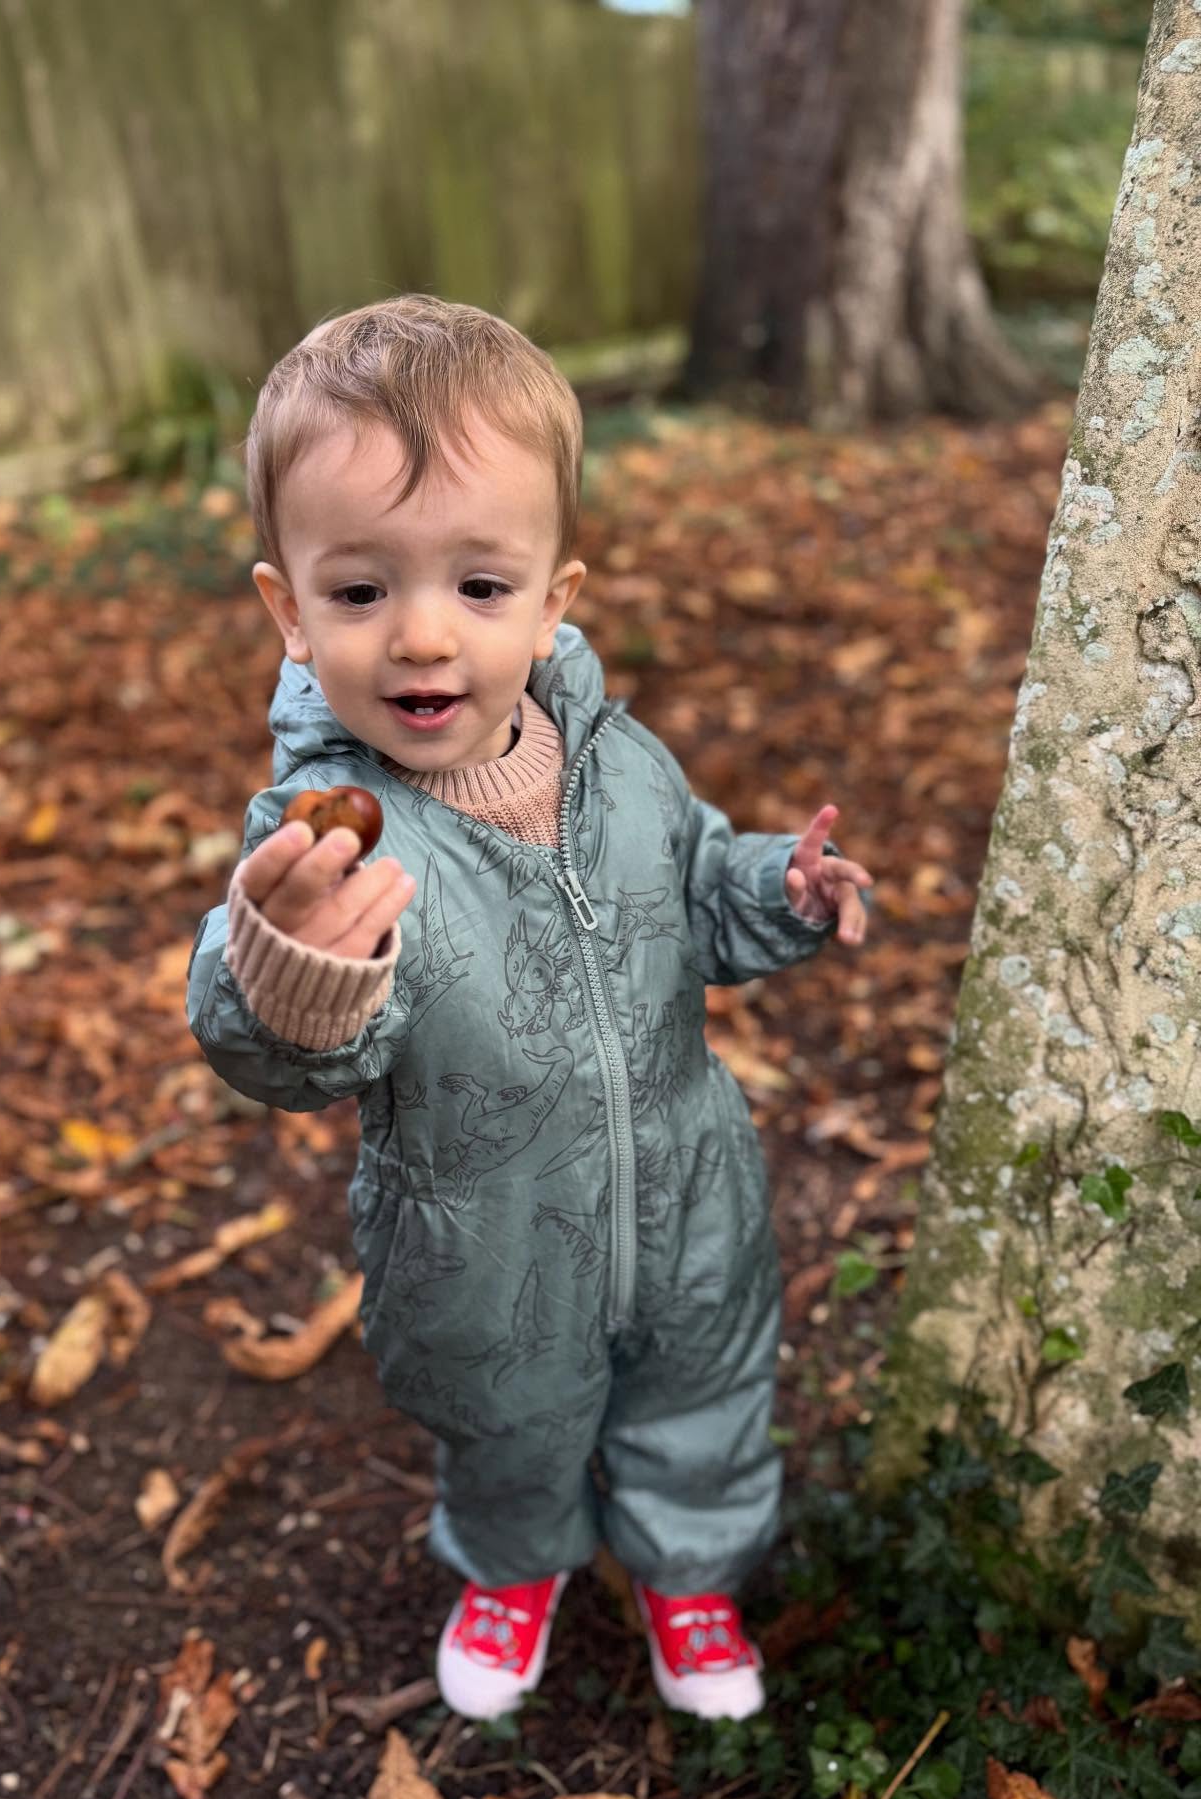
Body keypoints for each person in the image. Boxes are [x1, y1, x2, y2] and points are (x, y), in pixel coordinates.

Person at [186, 294, 873, 1722]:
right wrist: (295, 970)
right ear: (289, 612)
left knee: (703, 1389)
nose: (422, 635)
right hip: (479, 1236)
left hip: (685, 1189)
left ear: (556, 599)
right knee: (506, 1417)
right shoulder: (329, 842)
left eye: (481, 586)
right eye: (360, 593)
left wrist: (778, 888)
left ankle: (689, 1571)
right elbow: (274, 1044)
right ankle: (514, 1563)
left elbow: (693, 885)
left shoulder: (621, 763)